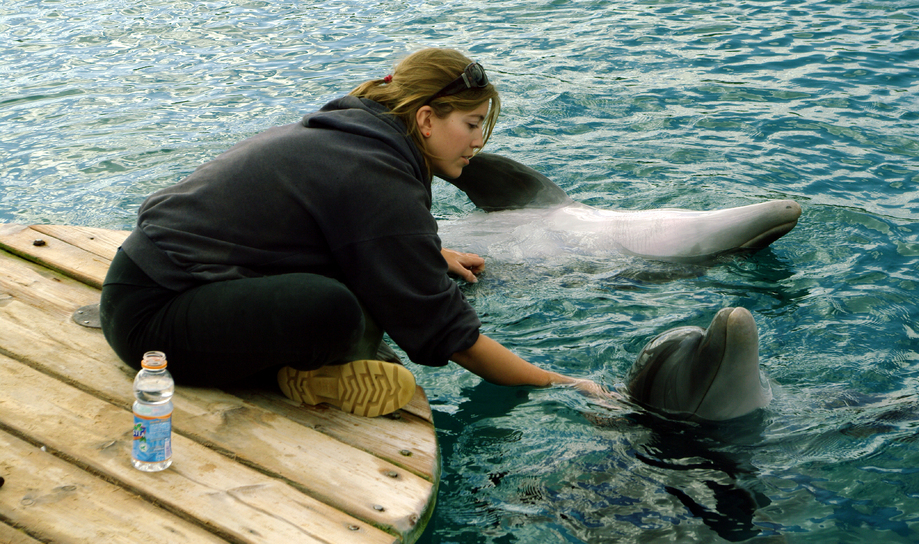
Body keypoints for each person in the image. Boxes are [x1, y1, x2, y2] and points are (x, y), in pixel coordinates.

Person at [100, 48, 602, 417]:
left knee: (370, 287)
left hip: (158, 282)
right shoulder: (377, 175)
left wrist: (426, 255)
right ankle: (304, 375)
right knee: (336, 311)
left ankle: (304, 365)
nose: (479, 141)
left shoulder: (360, 135)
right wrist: (557, 382)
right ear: (426, 119)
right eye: (471, 124)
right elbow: (450, 335)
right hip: (154, 325)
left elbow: (337, 224)